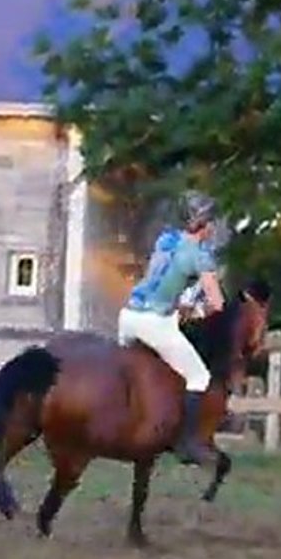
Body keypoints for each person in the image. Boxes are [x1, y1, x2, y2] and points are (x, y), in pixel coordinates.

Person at [118, 190, 226, 464]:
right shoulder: (201, 256)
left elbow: (164, 278)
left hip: (128, 317)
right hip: (155, 323)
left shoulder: (165, 240)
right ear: (207, 225)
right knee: (198, 377)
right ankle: (187, 442)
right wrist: (195, 312)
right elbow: (217, 304)